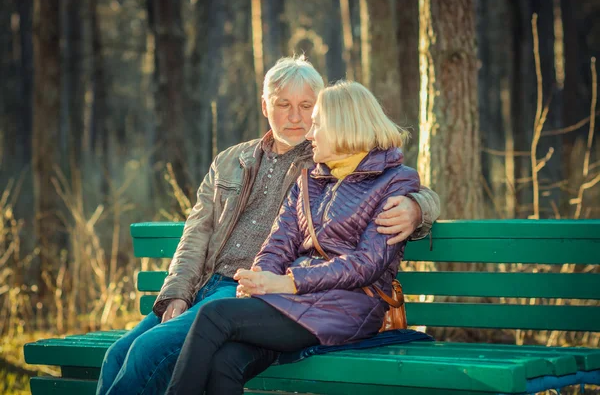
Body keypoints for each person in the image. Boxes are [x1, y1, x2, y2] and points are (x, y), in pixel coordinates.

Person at [97, 56, 440, 395]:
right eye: (283, 104)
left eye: (307, 106)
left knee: (147, 354)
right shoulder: (233, 160)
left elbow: (396, 184)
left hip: (254, 289)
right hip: (212, 284)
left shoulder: (323, 159)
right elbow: (196, 234)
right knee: (116, 355)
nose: (296, 117)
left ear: (323, 112)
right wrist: (177, 294)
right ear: (265, 106)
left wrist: (417, 208)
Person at [165, 80, 421, 394]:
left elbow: (365, 265)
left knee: (214, 315)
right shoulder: (310, 179)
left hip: (347, 308)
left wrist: (288, 282)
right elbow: (280, 240)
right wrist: (259, 277)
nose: (310, 134)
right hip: (295, 302)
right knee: (225, 363)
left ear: (342, 127)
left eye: (317, 125)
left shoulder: (395, 181)